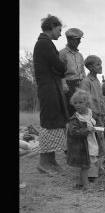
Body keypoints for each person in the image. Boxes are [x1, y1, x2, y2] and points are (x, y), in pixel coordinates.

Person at [33, 14, 69, 174]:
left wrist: (59, 67)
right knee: (48, 121)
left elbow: (57, 68)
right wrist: (62, 65)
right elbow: (60, 67)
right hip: (48, 89)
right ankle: (43, 162)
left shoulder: (46, 44)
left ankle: (52, 161)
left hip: (52, 87)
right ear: (52, 27)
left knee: (55, 120)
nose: (61, 34)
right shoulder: (43, 44)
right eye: (59, 30)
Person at [80, 55, 105, 162]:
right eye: (98, 64)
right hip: (93, 115)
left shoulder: (96, 81)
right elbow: (85, 99)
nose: (101, 67)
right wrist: (91, 115)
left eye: (100, 64)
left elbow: (99, 97)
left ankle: (104, 156)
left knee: (100, 136)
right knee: (94, 137)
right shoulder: (86, 82)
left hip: (100, 114)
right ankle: (92, 160)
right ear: (90, 67)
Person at [66, 89, 105, 190]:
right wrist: (86, 130)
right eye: (75, 103)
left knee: (93, 162)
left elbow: (99, 122)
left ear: (87, 103)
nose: (77, 105)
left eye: (80, 102)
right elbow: (73, 132)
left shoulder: (91, 114)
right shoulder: (75, 119)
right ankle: (86, 186)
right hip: (82, 146)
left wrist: (100, 129)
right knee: (85, 165)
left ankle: (83, 181)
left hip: (92, 143)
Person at [59, 28, 86, 117]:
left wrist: (85, 85)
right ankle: (70, 129)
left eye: (80, 40)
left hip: (80, 85)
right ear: (69, 39)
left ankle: (80, 129)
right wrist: (63, 84)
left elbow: (83, 71)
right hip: (68, 85)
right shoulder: (62, 53)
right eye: (77, 40)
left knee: (82, 110)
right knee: (70, 109)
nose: (79, 42)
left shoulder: (80, 55)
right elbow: (59, 71)